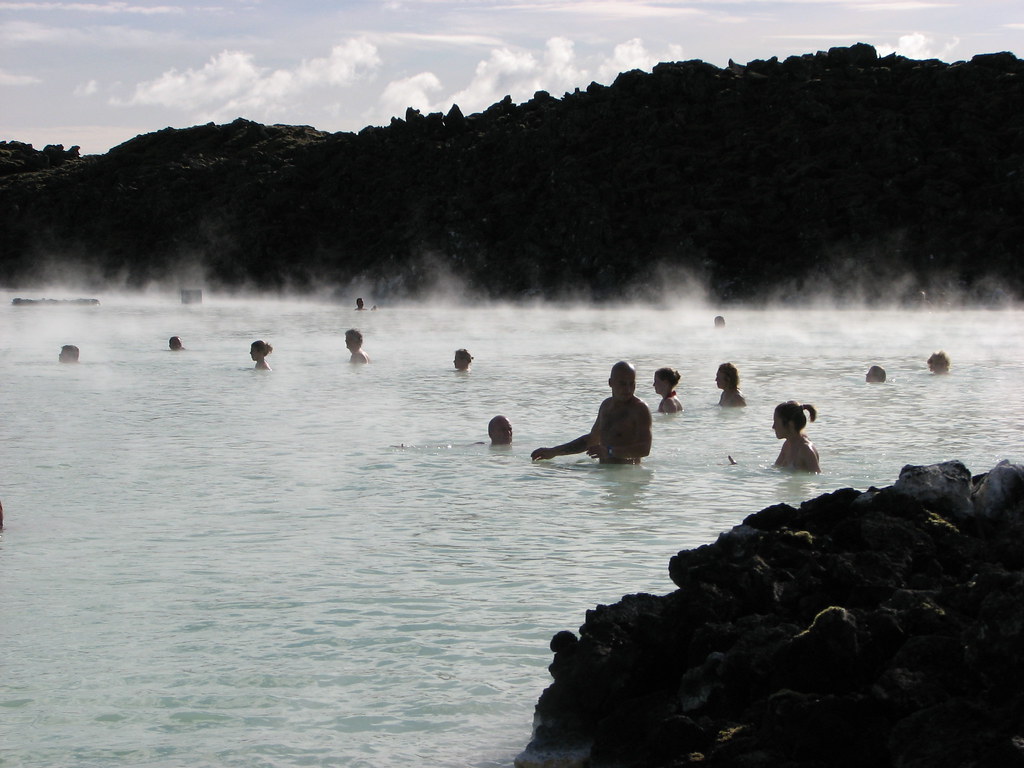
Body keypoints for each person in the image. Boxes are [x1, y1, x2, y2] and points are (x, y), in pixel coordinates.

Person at [532, 361, 652, 465]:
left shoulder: (639, 409)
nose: (628, 389)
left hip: (626, 473)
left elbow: (645, 449)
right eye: (622, 384)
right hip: (605, 473)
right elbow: (591, 440)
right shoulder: (606, 406)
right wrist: (554, 452)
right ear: (610, 383)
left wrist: (610, 451)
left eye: (632, 384)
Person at [772, 400, 820, 473]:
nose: (773, 427)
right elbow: (775, 468)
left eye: (776, 422)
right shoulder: (787, 445)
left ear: (791, 424)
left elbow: (817, 477)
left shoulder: (806, 449)